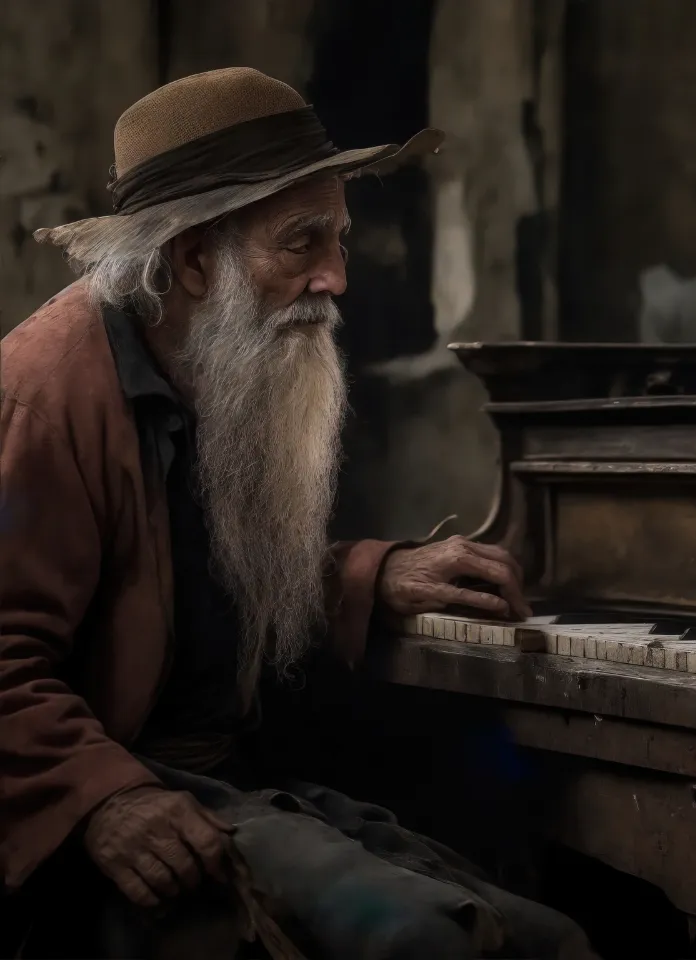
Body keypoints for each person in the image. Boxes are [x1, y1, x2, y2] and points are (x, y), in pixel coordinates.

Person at [0, 67, 593, 959]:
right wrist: (106, 798)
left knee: (550, 939)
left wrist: (371, 573)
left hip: (235, 782)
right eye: (302, 243)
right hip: (110, 829)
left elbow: (191, 581)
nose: (335, 279)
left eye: (340, 241)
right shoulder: (41, 398)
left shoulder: (201, 352)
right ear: (193, 259)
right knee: (426, 942)